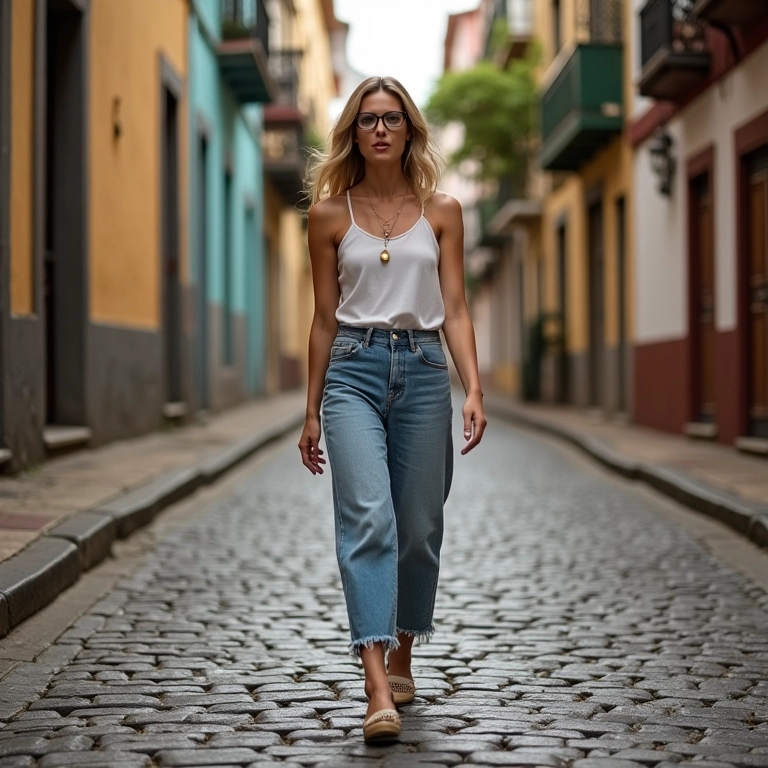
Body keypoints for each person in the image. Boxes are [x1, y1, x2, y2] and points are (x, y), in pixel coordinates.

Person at [298, 76, 487, 743]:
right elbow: (323, 319)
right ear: (354, 132)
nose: (380, 129)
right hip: (352, 370)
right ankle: (376, 684)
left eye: (392, 118)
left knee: (418, 528)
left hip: (428, 372)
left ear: (410, 130)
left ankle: (404, 652)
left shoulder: (444, 212)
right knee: (368, 518)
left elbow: (456, 307)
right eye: (368, 120)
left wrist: (473, 388)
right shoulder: (326, 217)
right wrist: (312, 408)